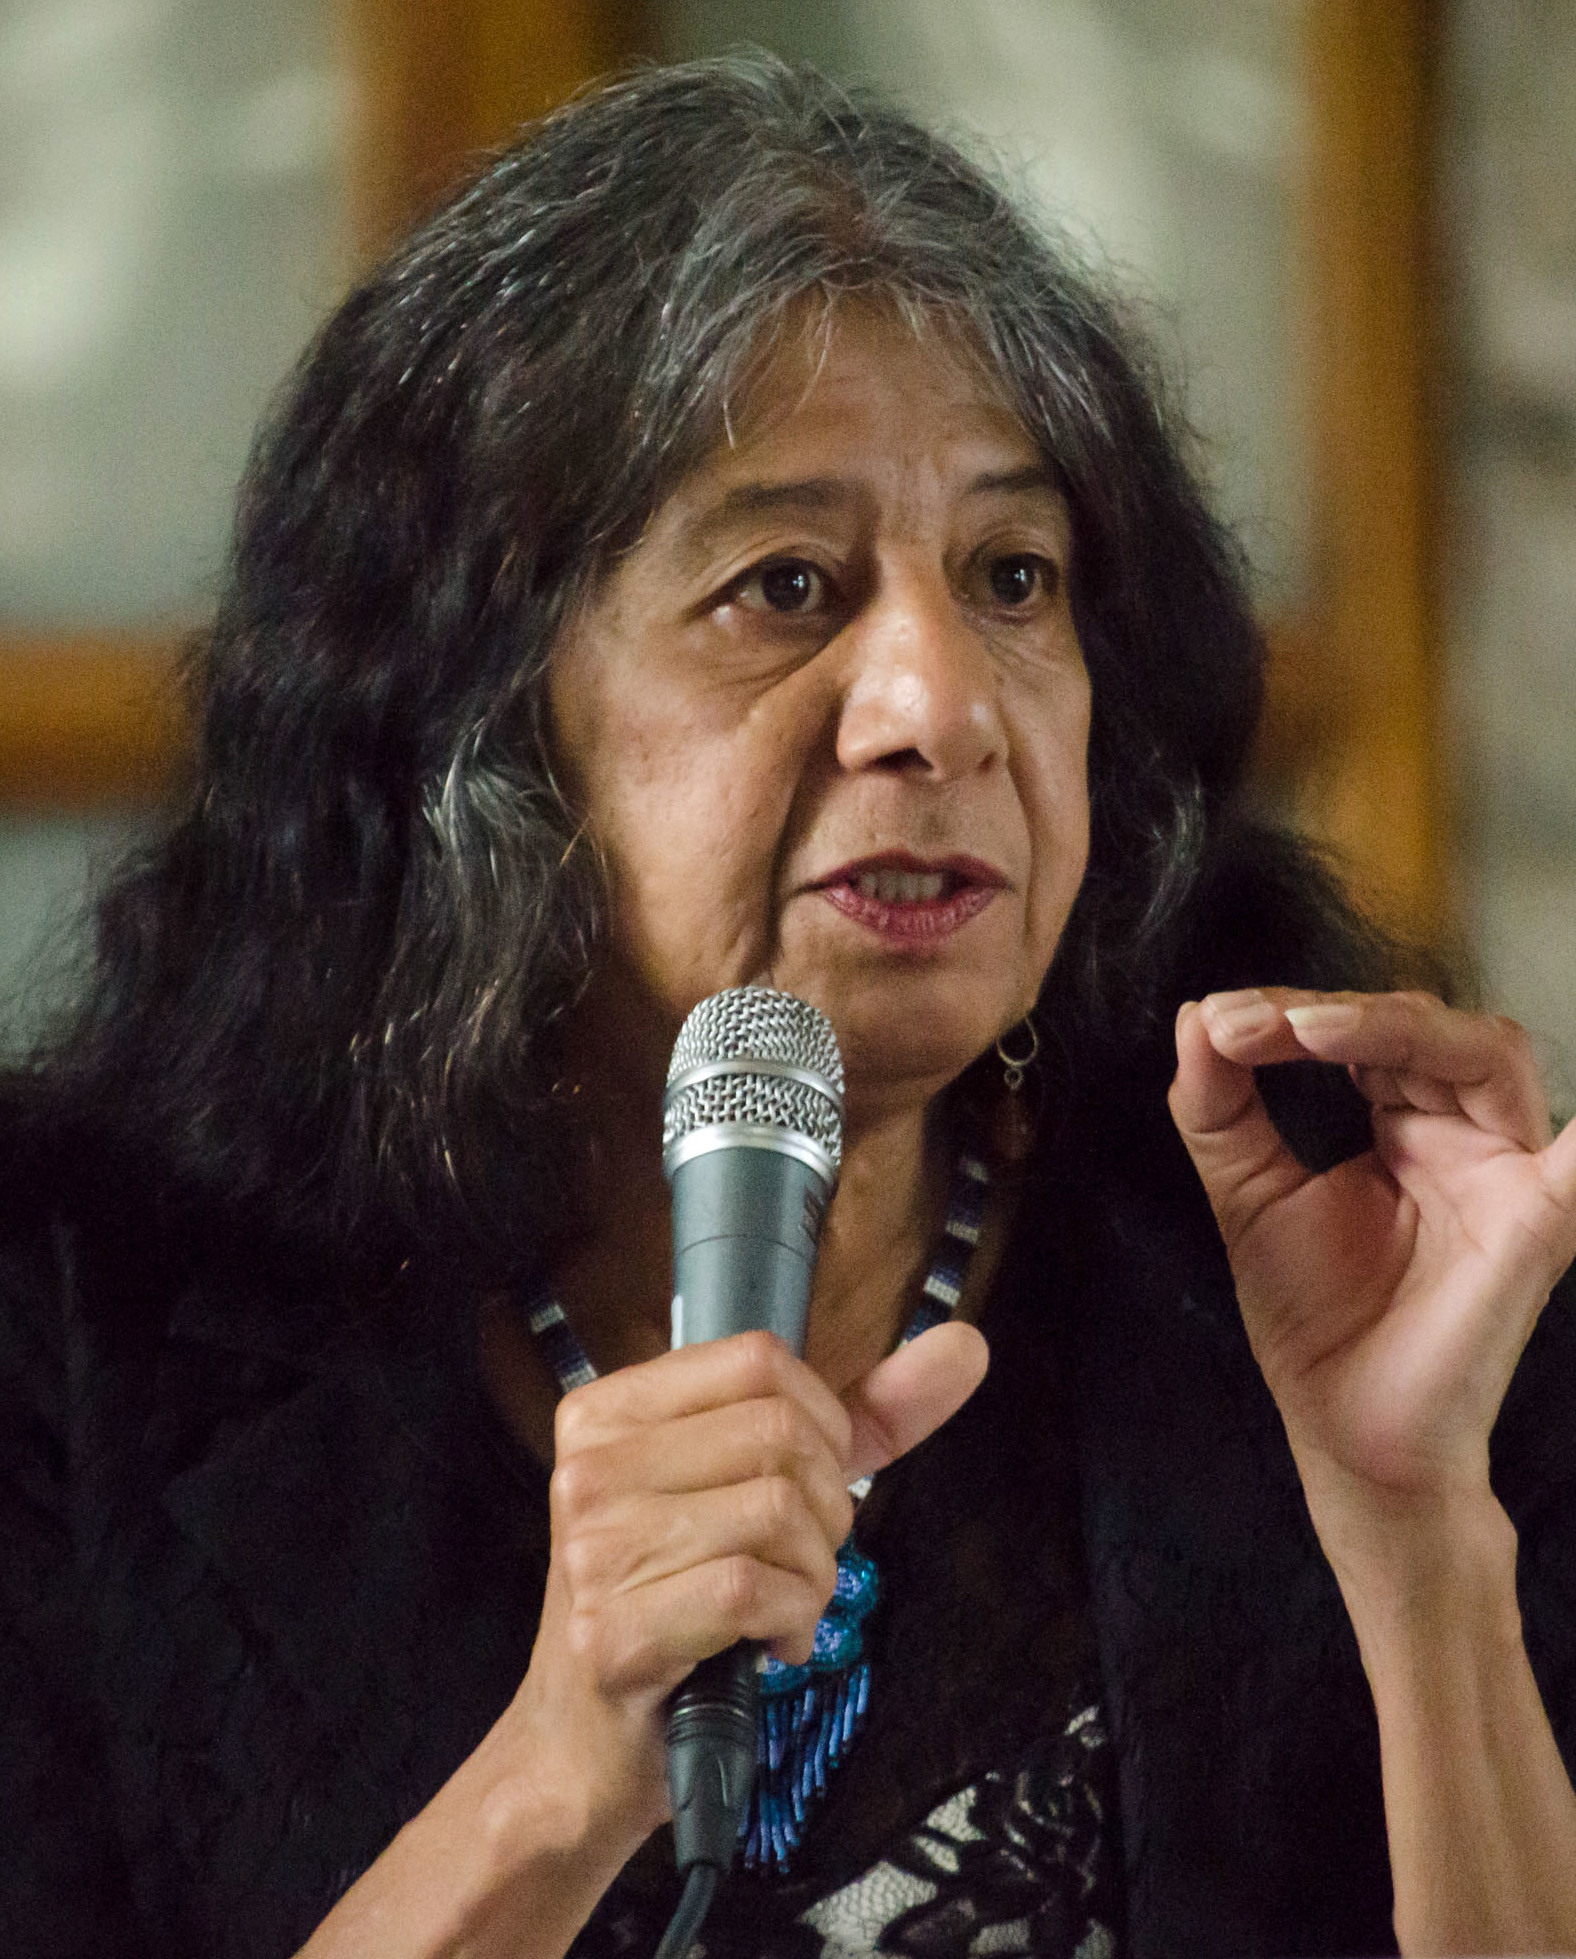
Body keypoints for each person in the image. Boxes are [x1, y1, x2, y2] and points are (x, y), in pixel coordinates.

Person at [3, 52, 1575, 1959]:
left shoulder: (1345, 1273)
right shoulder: (75, 1328)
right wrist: (560, 1770)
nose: (941, 705)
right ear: (485, 723)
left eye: (1013, 576)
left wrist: (1424, 1547)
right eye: (787, 584)